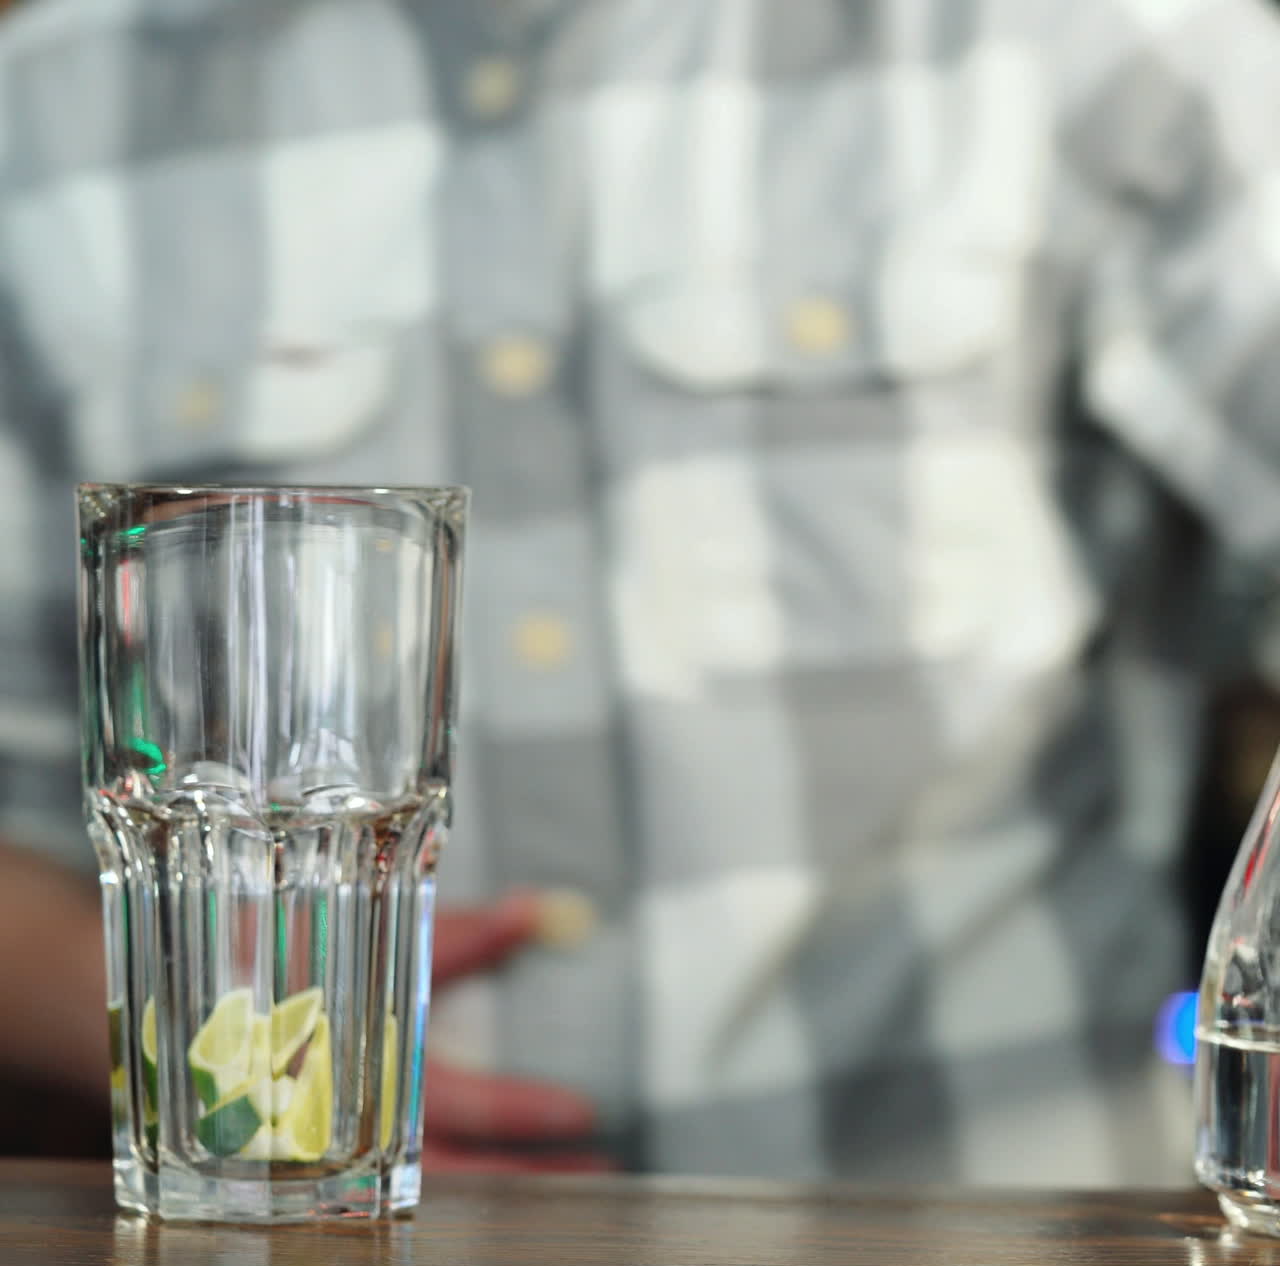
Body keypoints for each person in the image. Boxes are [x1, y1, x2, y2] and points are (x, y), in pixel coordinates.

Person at [3, 0, 1280, 1184]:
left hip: (994, 1226)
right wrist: (189, 1023)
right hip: (315, 1233)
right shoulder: (41, 114)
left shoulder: (1111, 44)